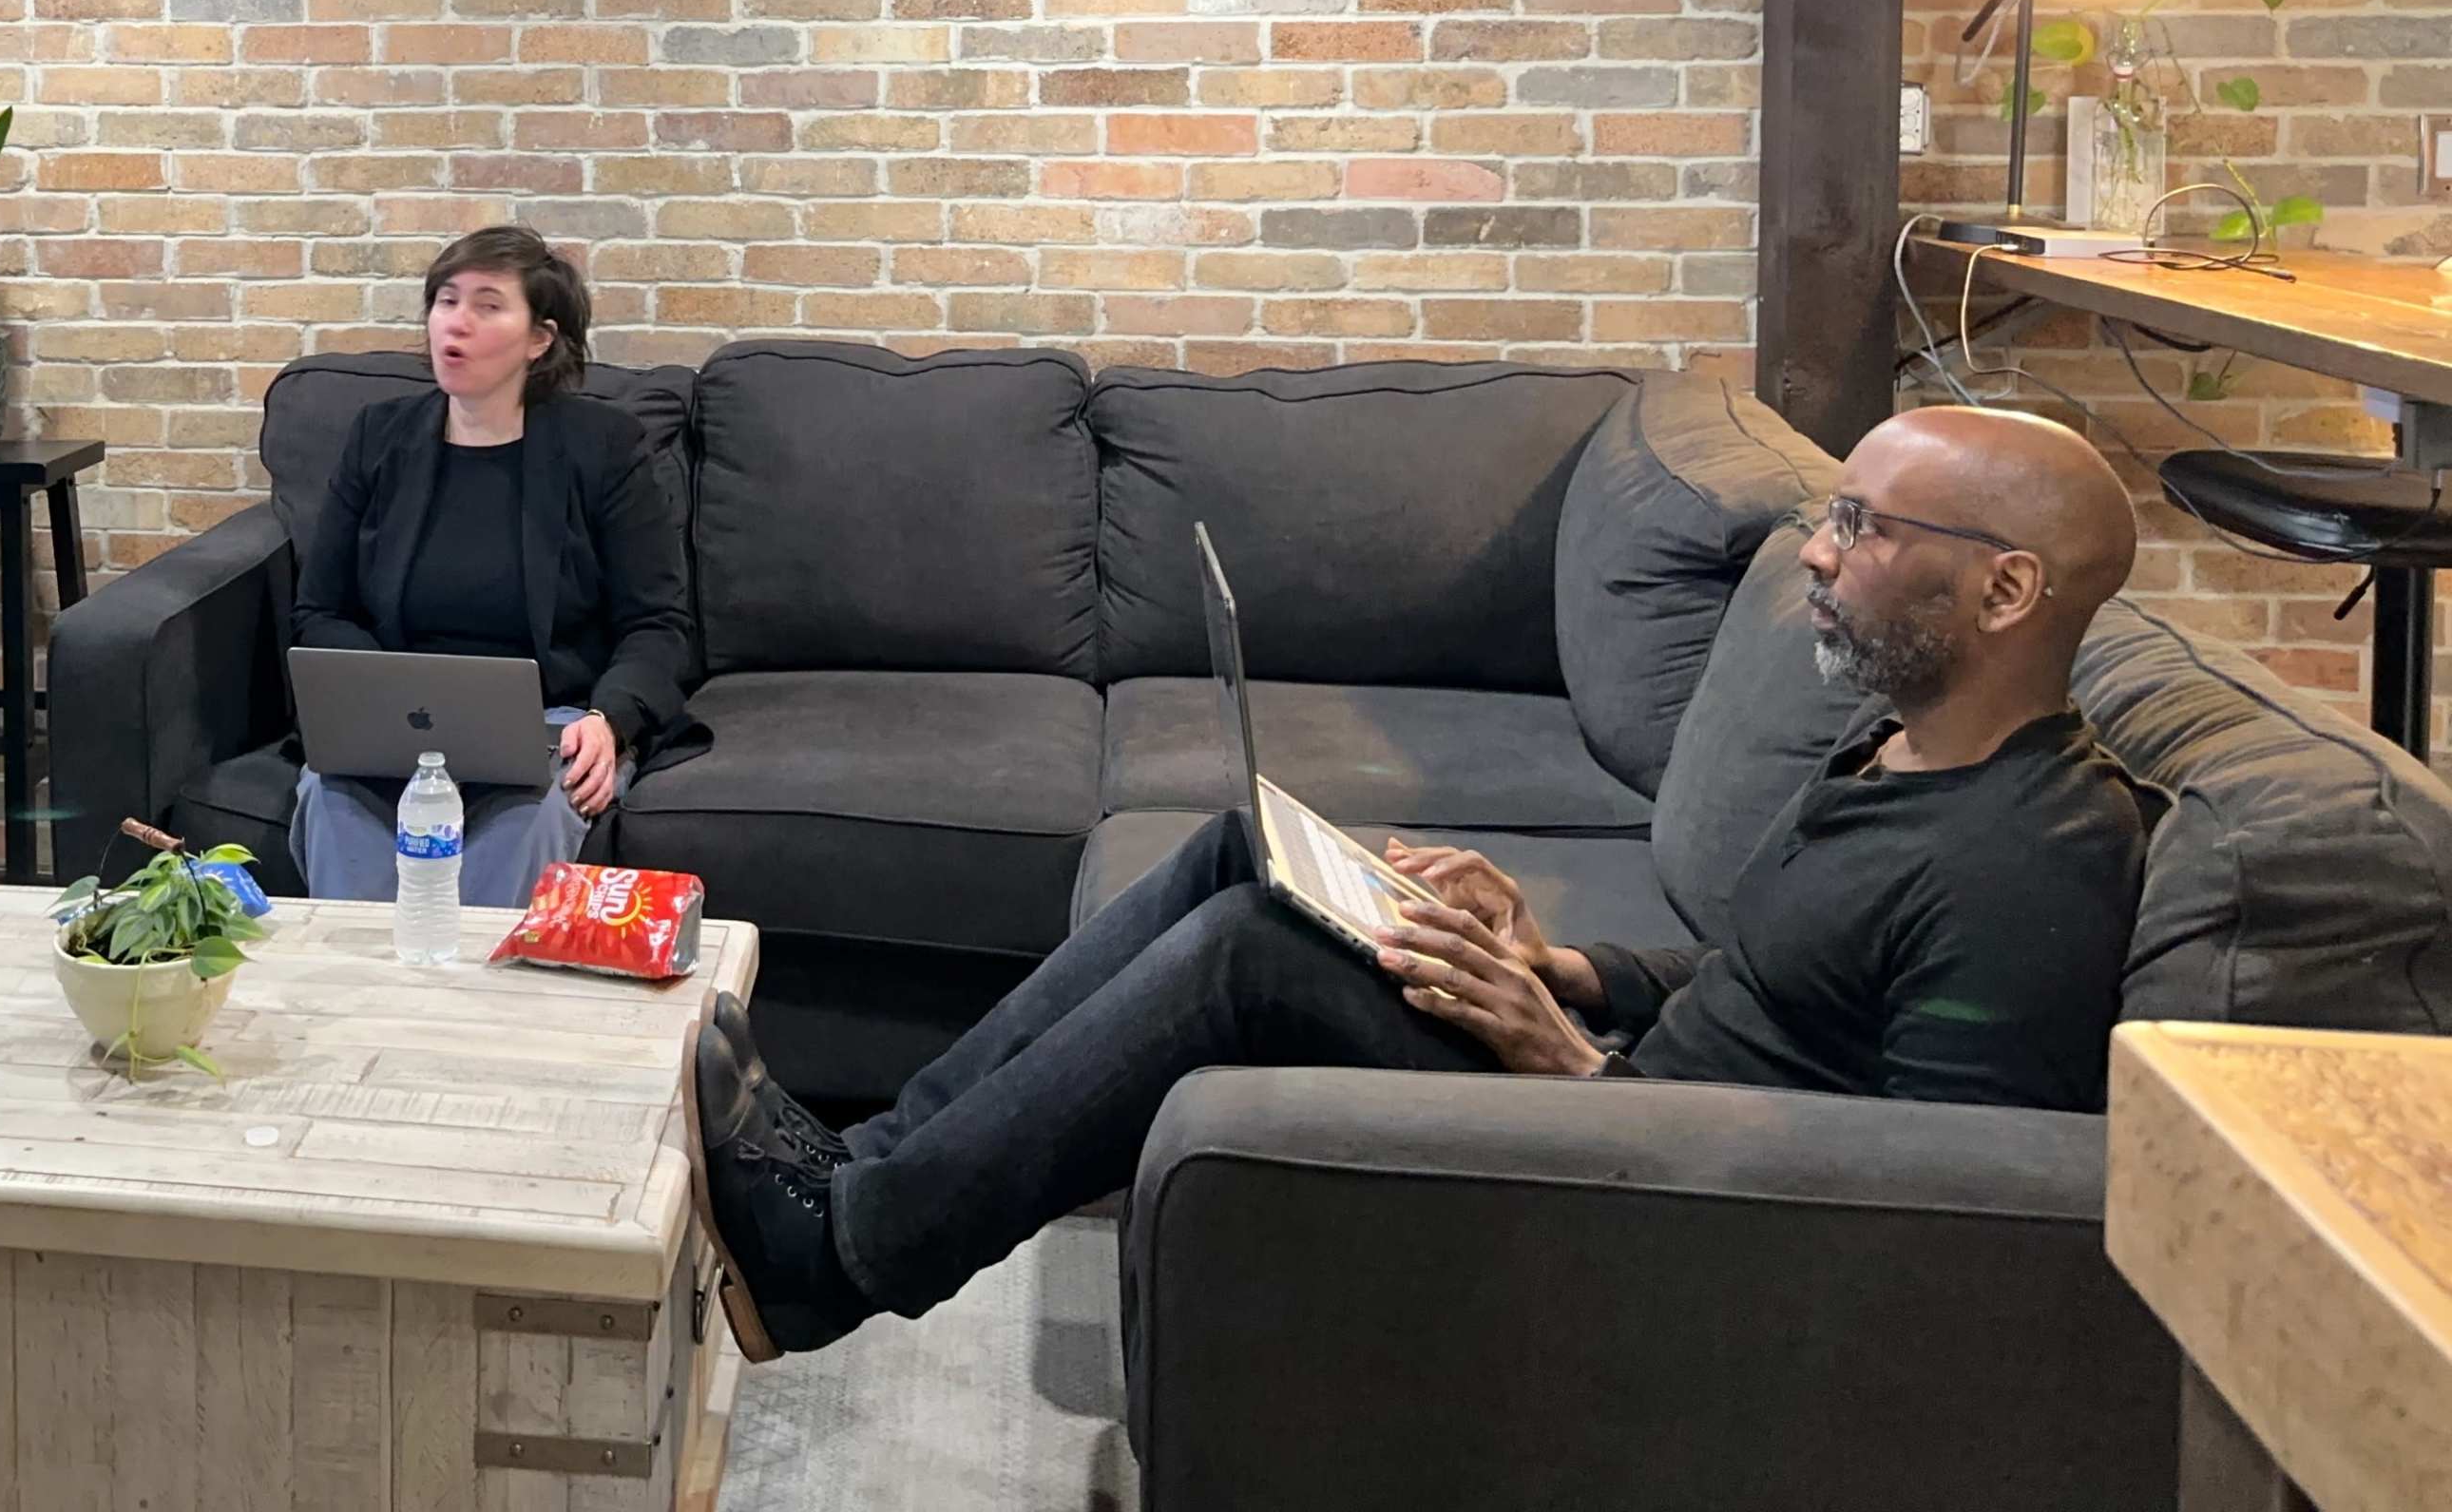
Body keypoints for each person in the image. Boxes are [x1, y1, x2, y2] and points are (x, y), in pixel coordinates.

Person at [686, 404, 2155, 1362]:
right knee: (1247, 847)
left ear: (2007, 589)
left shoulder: (2032, 864)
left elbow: (1943, 1213)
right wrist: (1560, 966)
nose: (1817, 557)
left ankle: (843, 1256)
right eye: (1828, 517)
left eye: (1863, 527)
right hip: (1626, 1093)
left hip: (1660, 1193)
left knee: (1253, 951)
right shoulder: (1897, 751)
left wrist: (1577, 1069)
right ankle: (865, 1166)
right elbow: (1767, 979)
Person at [287, 224, 694, 907]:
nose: (457, 322)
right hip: (399, 724)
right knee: (333, 804)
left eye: (488, 305)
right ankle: (358, 981)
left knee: (526, 820)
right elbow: (320, 610)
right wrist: (379, 700)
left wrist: (609, 719)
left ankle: (475, 980)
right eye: (446, 300)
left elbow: (657, 622)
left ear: (540, 339)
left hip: (548, 724)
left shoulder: (602, 447)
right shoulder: (379, 437)